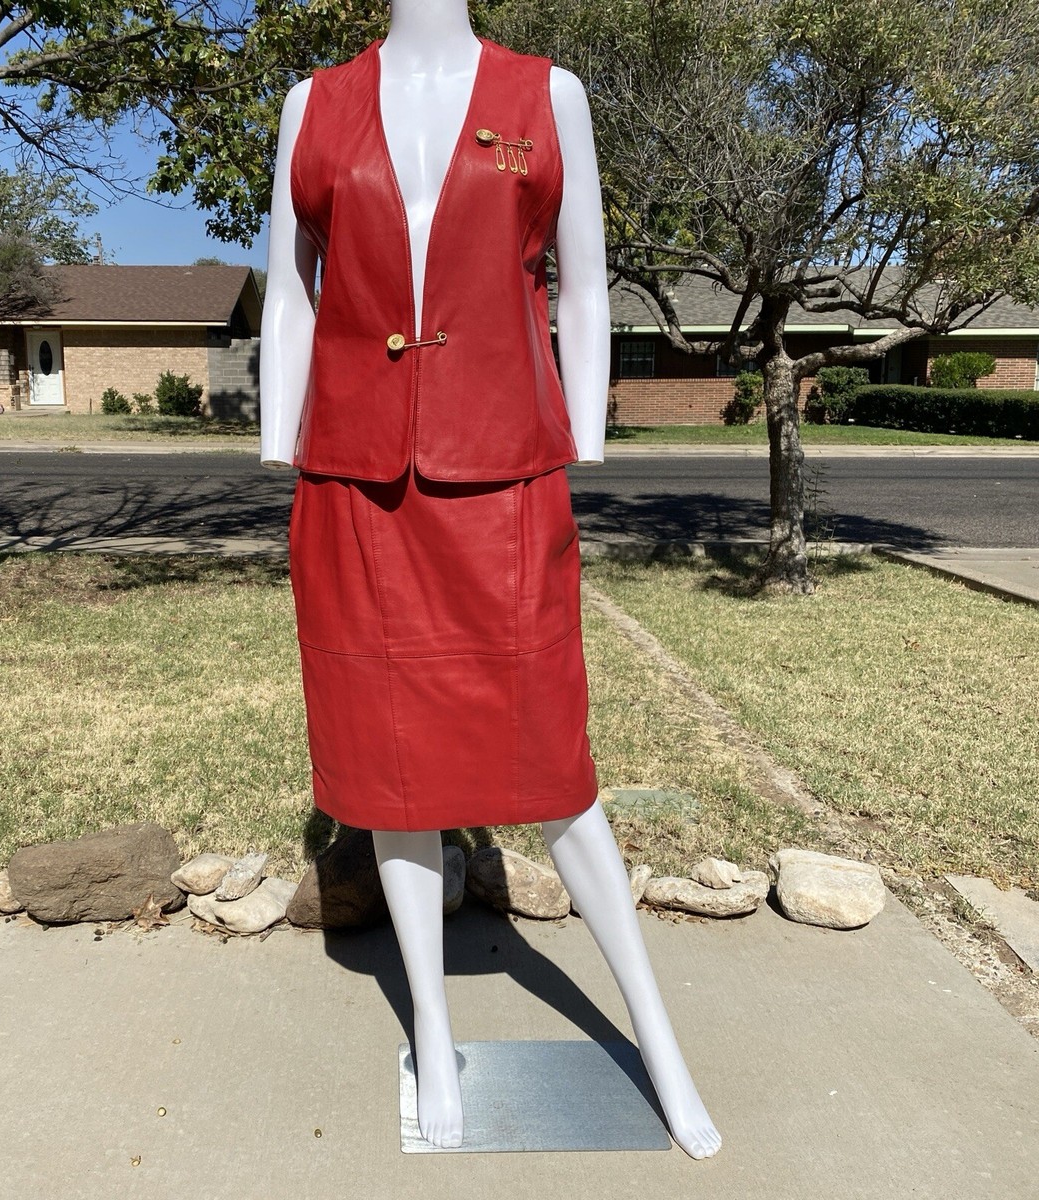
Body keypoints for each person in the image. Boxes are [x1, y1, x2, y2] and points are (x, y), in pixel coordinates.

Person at [259, 0, 721, 1159]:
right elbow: (289, 290)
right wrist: (282, 443)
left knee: (556, 768)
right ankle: (434, 1031)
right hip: (356, 487)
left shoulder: (546, 96)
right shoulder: (311, 106)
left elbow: (584, 288)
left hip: (507, 479)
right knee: (391, 772)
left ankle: (658, 1038)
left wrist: (585, 443)